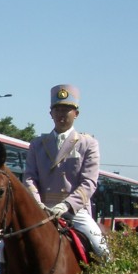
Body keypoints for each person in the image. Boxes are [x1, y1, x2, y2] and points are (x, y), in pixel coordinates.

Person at [23, 84, 109, 258]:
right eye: (58, 110)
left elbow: (89, 182)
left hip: (74, 212)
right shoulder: (37, 144)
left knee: (101, 249)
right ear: (51, 114)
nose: (61, 114)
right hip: (42, 209)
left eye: (67, 110)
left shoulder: (88, 143)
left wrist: (67, 205)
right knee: (4, 249)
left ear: (76, 114)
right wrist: (37, 203)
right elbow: (30, 177)